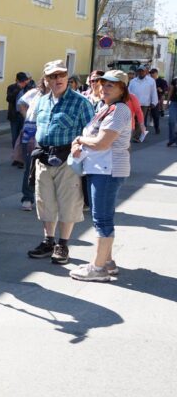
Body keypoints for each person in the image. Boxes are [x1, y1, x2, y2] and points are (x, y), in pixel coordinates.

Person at [26, 60, 94, 265]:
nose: (58, 79)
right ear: (46, 80)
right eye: (53, 76)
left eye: (62, 74)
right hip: (44, 157)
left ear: (67, 77)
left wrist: (82, 153)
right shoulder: (41, 101)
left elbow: (92, 132)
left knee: (69, 203)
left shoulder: (81, 102)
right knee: (44, 201)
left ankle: (62, 244)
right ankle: (48, 241)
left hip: (69, 159)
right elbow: (36, 127)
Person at [69, 70, 132, 281]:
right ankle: (107, 262)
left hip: (107, 170)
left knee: (102, 219)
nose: (104, 88)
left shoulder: (119, 110)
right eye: (102, 84)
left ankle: (97, 268)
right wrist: (81, 144)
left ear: (122, 89)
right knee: (102, 216)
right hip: (100, 168)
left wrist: (79, 140)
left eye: (110, 85)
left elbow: (102, 143)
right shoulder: (107, 108)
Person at [17, 75, 50, 211]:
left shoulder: (59, 96)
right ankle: (27, 198)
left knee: (47, 168)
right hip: (30, 135)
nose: (51, 81)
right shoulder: (35, 93)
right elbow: (21, 103)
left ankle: (45, 200)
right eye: (48, 78)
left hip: (47, 136)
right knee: (30, 167)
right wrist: (27, 118)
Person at [6, 71, 32, 163]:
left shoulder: (28, 88)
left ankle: (22, 159)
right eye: (21, 81)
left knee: (23, 138)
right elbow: (9, 99)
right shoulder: (11, 87)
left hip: (24, 115)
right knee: (14, 137)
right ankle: (15, 157)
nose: (23, 83)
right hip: (14, 115)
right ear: (17, 81)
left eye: (24, 81)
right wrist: (17, 89)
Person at [128, 65, 157, 135]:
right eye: (139, 71)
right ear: (137, 72)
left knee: (140, 120)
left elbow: (153, 92)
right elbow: (128, 92)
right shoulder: (133, 81)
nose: (141, 72)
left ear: (146, 72)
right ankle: (136, 134)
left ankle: (137, 136)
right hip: (133, 104)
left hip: (144, 104)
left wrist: (154, 102)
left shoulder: (151, 81)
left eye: (142, 71)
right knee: (133, 119)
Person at [150, 68, 167, 133]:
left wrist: (160, 90)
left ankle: (157, 128)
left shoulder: (162, 81)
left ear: (156, 73)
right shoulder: (148, 81)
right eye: (151, 73)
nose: (151, 74)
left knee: (155, 115)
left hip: (156, 99)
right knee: (144, 114)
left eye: (153, 73)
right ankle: (143, 129)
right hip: (147, 99)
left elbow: (164, 90)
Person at [168, 75, 177, 147]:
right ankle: (172, 139)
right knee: (171, 121)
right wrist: (167, 102)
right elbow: (170, 91)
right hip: (174, 103)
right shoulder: (174, 80)